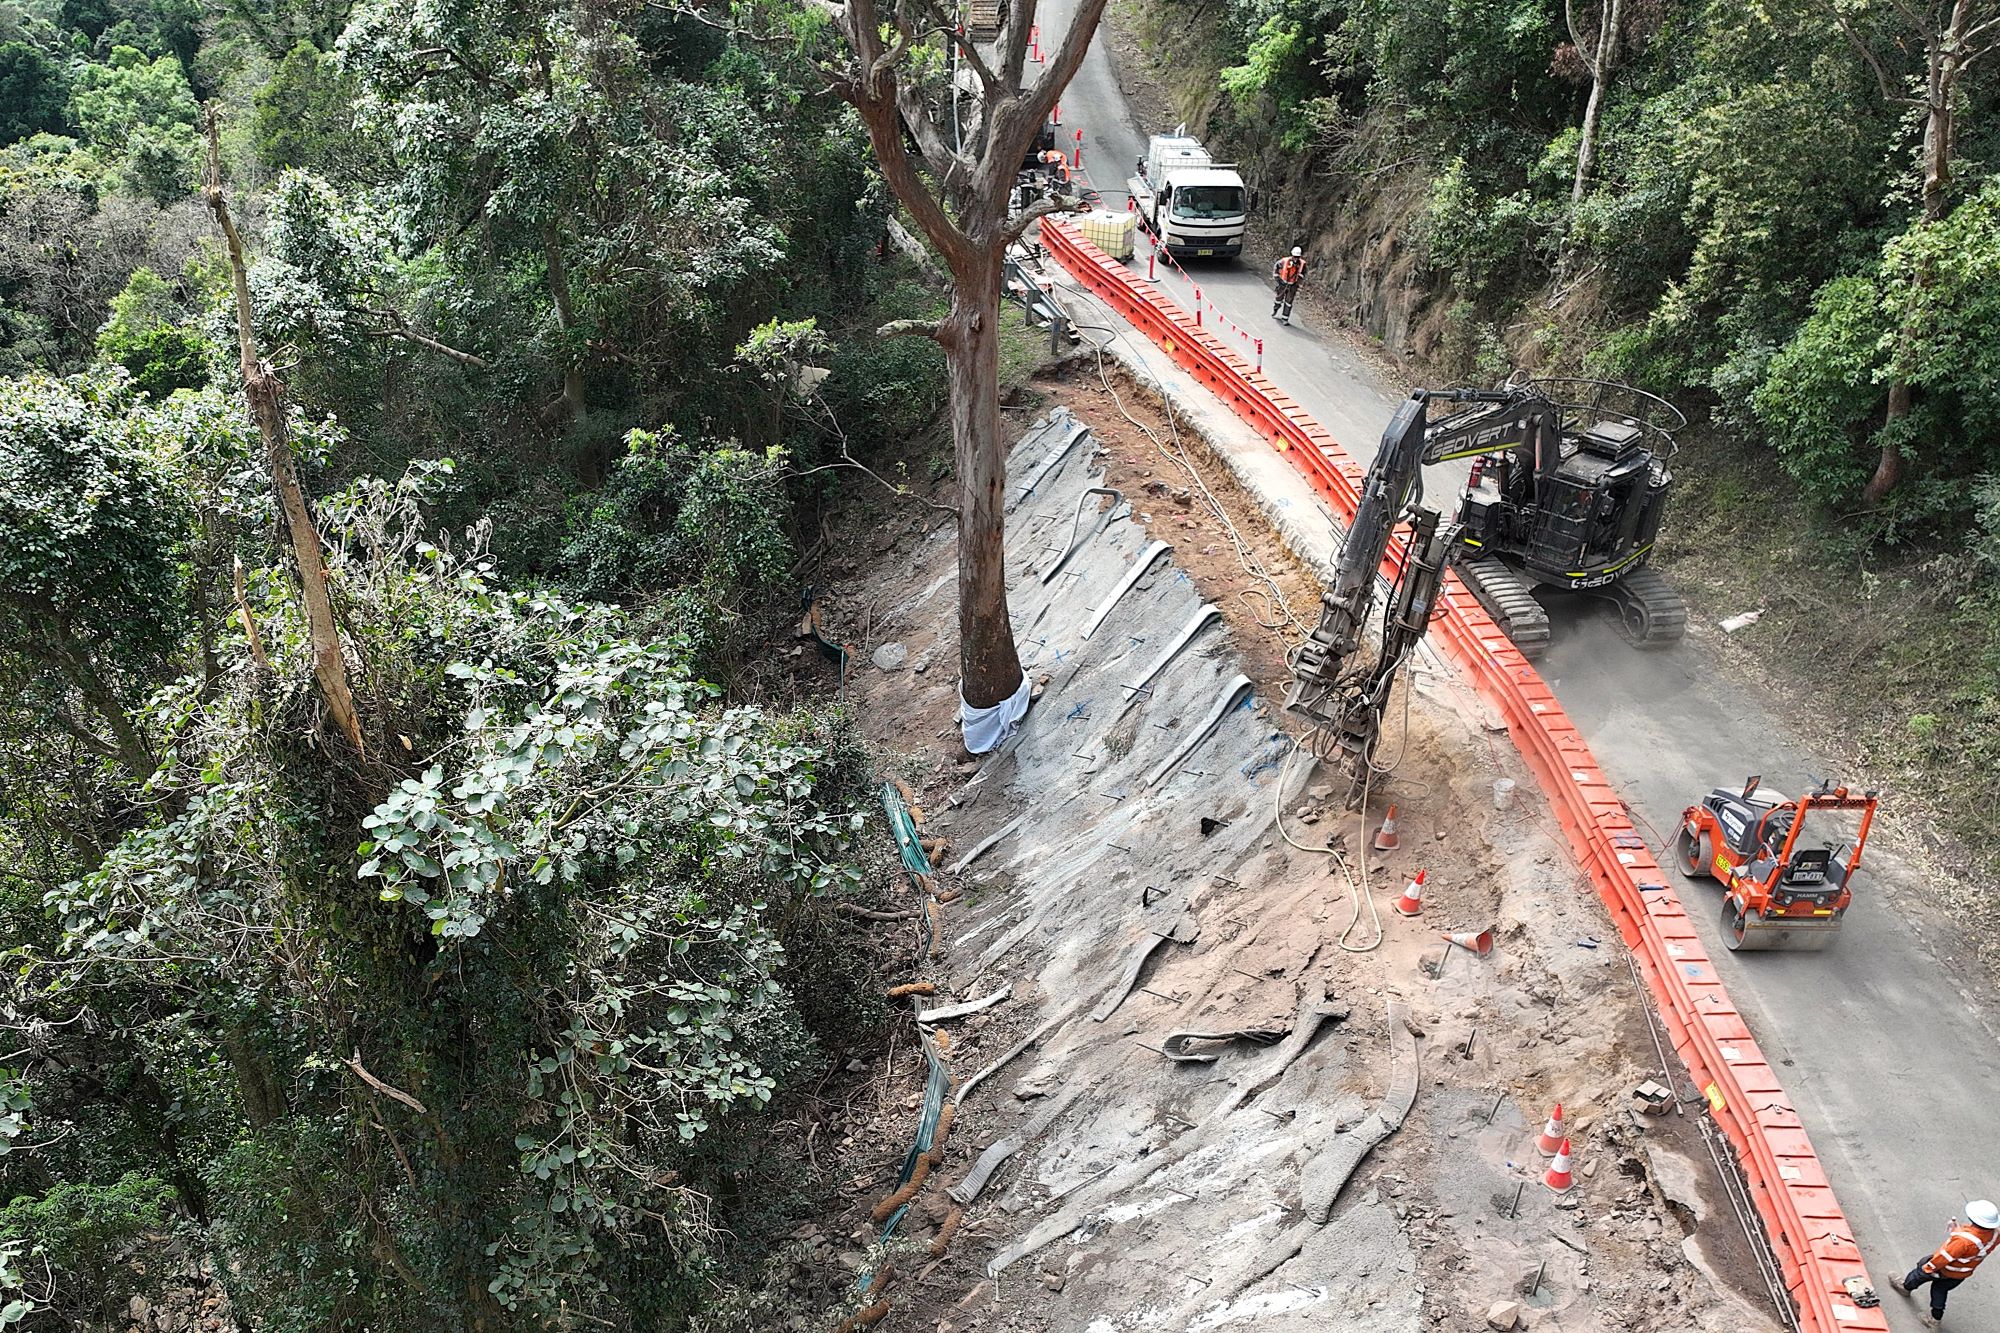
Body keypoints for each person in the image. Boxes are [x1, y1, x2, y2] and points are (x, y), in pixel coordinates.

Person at [1893, 1199, 2000, 1324]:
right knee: (1940, 1290)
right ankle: (1935, 1319)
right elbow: (1976, 1243)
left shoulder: (1962, 1242)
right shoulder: (1995, 1235)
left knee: (1918, 1274)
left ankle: (1905, 1287)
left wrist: (1927, 1268)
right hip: (1961, 1274)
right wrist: (1959, 1231)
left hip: (1945, 1269)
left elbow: (1945, 1257)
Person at [1272, 247, 1306, 323]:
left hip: (1293, 285)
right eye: (1295, 257)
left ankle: (1285, 319)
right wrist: (1278, 280)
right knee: (1278, 299)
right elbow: (1276, 268)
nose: (1296, 259)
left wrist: (1298, 283)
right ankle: (1275, 309)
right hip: (1282, 284)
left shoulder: (1302, 264)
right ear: (1292, 255)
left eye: (1298, 257)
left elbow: (1303, 274)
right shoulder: (1284, 261)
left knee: (1288, 302)